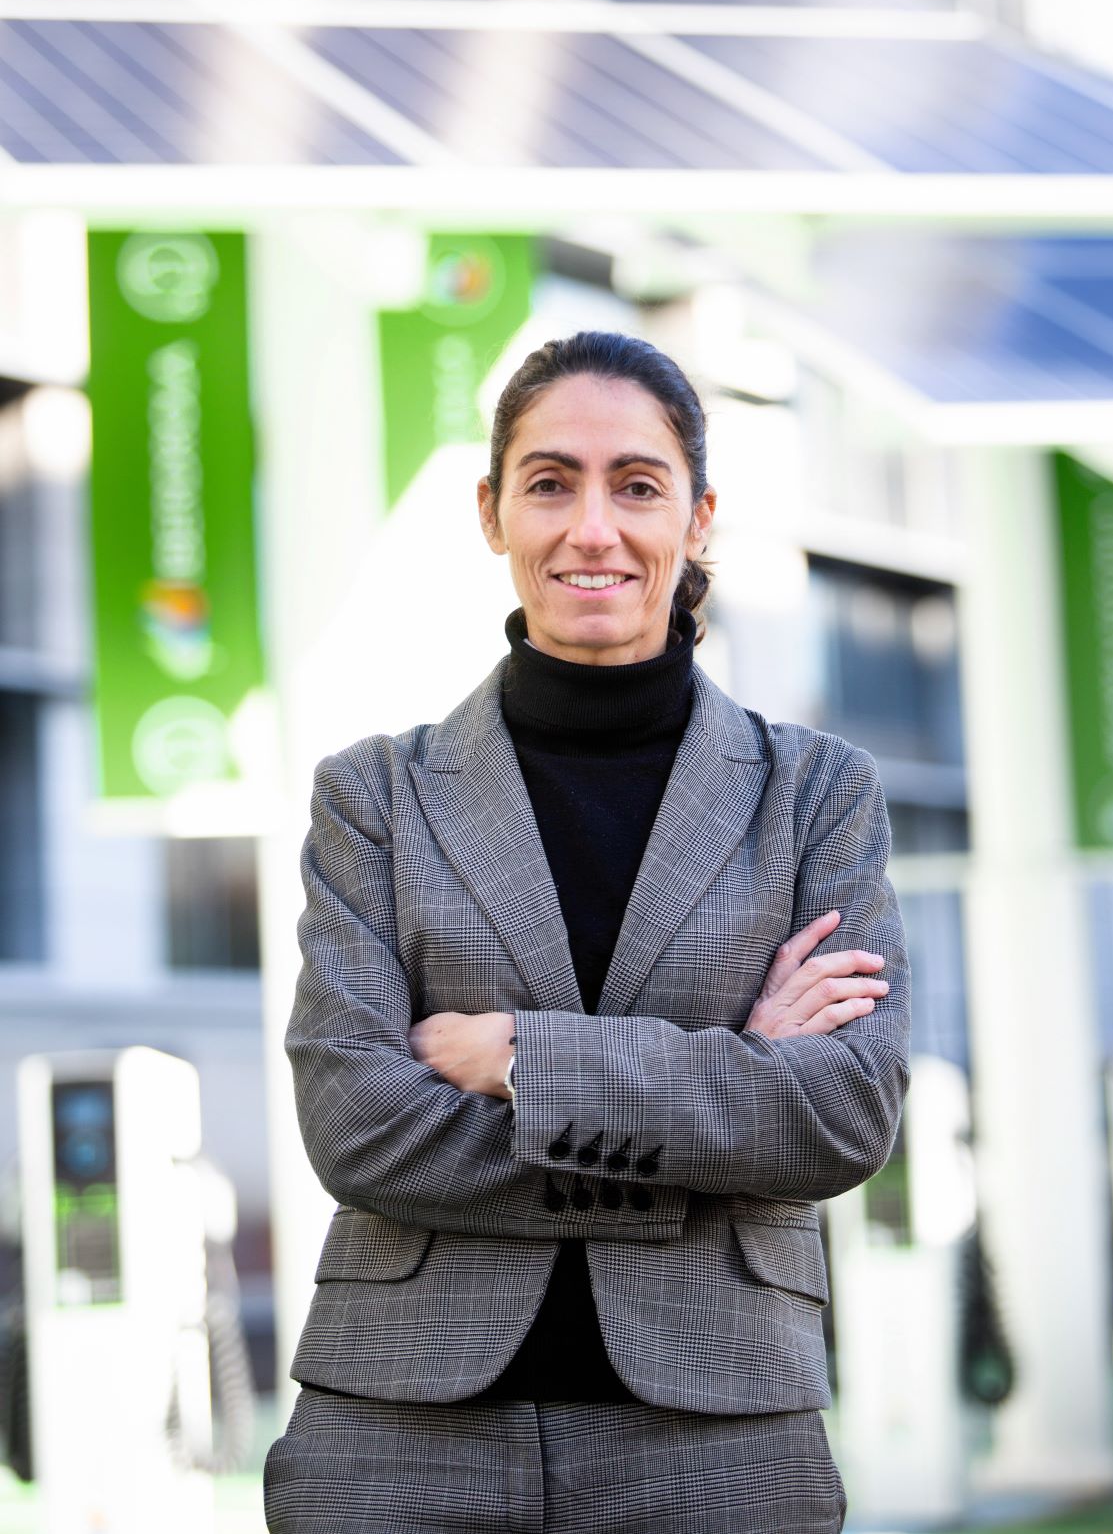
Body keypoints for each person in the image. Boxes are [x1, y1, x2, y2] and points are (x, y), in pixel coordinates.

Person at [264, 330, 911, 1534]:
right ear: (492, 512)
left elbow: (840, 1115)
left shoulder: (815, 796)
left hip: (720, 1435)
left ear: (699, 517)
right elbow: (360, 1127)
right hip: (400, 1432)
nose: (593, 528)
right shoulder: (376, 797)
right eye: (551, 482)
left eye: (638, 486)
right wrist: (726, 1096)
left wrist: (519, 1057)